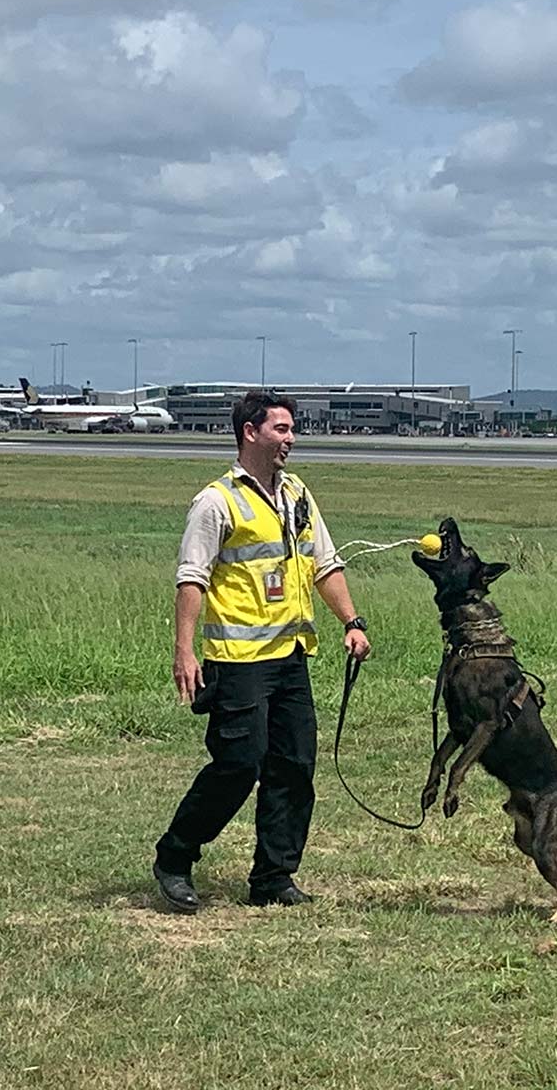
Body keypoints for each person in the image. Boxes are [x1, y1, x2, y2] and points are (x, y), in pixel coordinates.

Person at [153, 390, 371, 912]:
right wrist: (184, 651)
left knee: (294, 766)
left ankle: (274, 877)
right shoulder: (217, 501)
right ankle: (175, 857)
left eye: (292, 429)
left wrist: (351, 621)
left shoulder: (297, 494)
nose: (290, 439)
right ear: (250, 432)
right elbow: (191, 580)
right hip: (238, 661)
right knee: (239, 764)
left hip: (291, 655)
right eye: (281, 429)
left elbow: (325, 563)